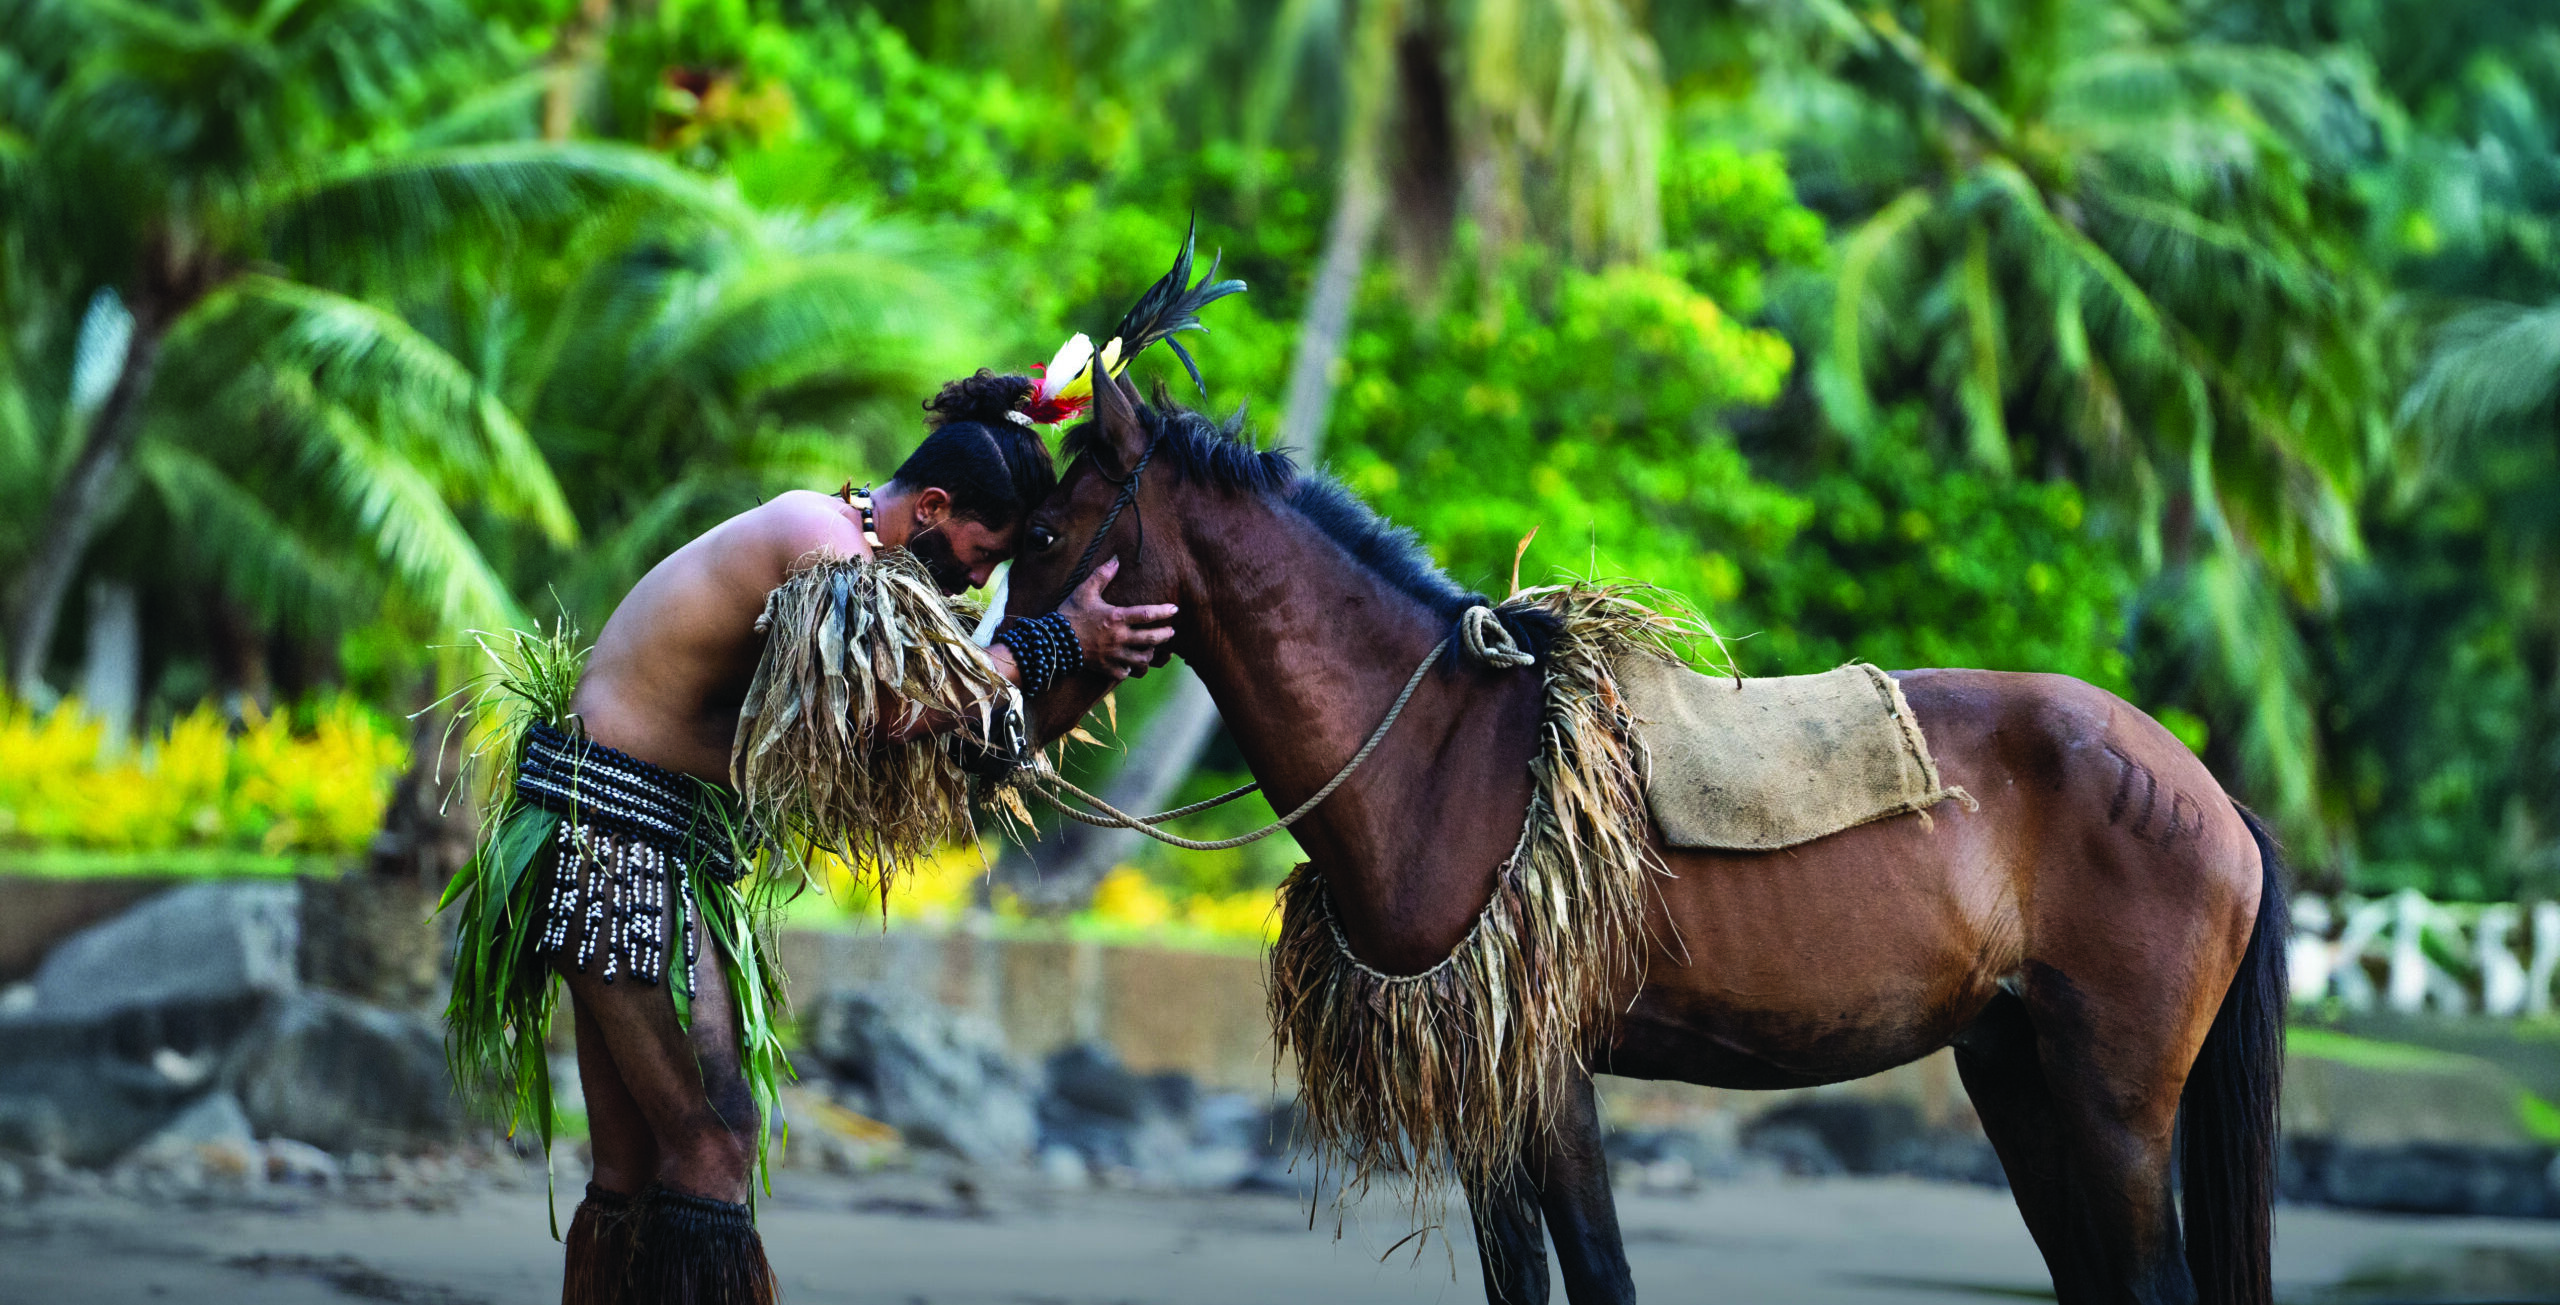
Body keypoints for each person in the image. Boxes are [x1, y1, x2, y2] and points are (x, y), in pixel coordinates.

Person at [441, 369, 1177, 1304]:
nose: (981, 580)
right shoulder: (821, 543)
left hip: (635, 835)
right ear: (935, 506)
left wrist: (1069, 673)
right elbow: (896, 706)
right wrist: (1061, 638)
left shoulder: (847, 553)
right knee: (713, 1136)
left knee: (635, 1166)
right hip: (611, 840)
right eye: (981, 552)